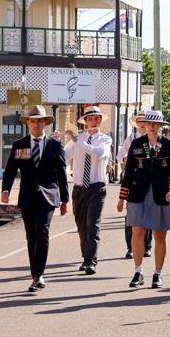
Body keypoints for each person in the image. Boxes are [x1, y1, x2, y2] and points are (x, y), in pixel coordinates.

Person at [1, 105, 69, 292]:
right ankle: (34, 274)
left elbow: (61, 173)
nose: (36, 124)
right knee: (31, 235)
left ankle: (40, 274)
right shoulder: (19, 145)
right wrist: (5, 190)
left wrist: (65, 199)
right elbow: (10, 170)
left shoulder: (55, 145)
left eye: (40, 121)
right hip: (27, 197)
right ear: (28, 124)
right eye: (33, 121)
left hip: (48, 196)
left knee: (42, 230)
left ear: (45, 123)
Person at [117, 110, 170, 289]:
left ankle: (158, 273)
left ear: (160, 126)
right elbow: (128, 172)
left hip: (161, 194)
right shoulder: (137, 144)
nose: (152, 127)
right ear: (144, 124)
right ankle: (138, 272)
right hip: (138, 193)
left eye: (155, 124)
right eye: (149, 123)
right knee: (137, 232)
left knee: (160, 235)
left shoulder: (168, 144)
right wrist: (122, 198)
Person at [64, 106, 112, 275]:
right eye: (90, 119)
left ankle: (91, 261)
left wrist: (77, 141)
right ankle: (86, 257)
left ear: (100, 120)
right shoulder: (78, 138)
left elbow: (98, 153)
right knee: (81, 226)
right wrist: (54, 143)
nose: (93, 121)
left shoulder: (105, 139)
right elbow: (64, 156)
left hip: (96, 188)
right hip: (79, 188)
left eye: (96, 118)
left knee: (93, 225)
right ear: (85, 122)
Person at [117, 110, 152, 259]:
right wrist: (126, 159)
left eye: (145, 121)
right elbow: (120, 155)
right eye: (140, 121)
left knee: (149, 214)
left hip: (149, 181)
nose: (142, 124)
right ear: (136, 123)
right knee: (131, 217)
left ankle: (147, 246)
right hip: (133, 180)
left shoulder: (152, 138)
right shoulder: (131, 138)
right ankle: (131, 247)